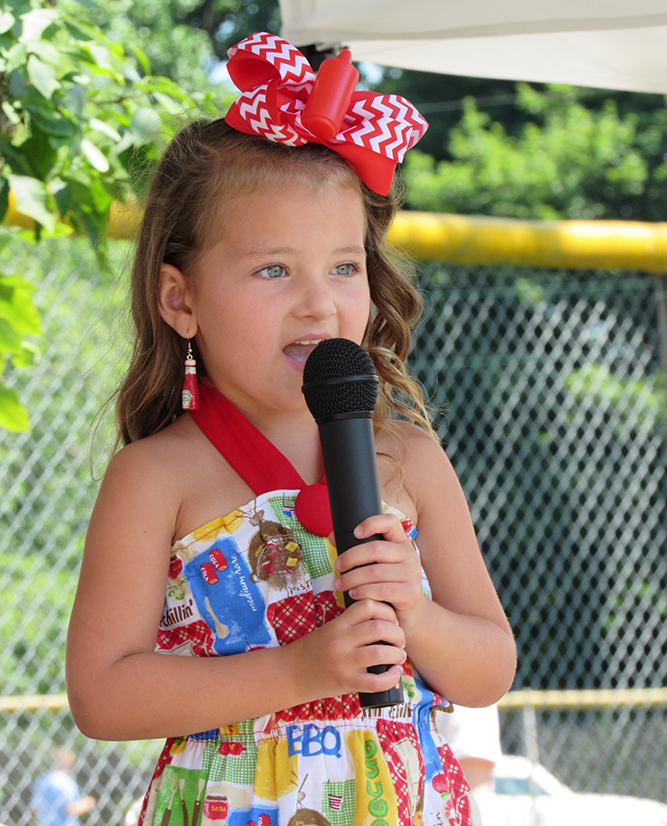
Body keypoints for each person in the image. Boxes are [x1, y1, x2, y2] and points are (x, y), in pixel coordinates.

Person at [66, 31, 516, 826]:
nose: (319, 303)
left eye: (343, 267)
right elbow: (102, 694)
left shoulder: (406, 456)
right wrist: (302, 669)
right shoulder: (157, 475)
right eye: (274, 270)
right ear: (181, 300)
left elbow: (486, 668)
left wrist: (413, 616)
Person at [31, 747, 95, 826]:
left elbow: (35, 810)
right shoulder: (65, 781)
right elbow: (70, 808)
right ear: (67, 762)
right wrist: (88, 802)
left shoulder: (41, 780)